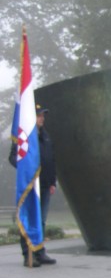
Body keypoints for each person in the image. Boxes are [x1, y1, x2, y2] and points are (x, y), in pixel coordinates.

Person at [8, 104, 57, 267]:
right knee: (29, 219)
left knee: (41, 221)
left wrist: (52, 181)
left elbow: (51, 159)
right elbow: (13, 157)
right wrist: (26, 169)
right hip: (31, 186)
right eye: (39, 115)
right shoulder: (25, 137)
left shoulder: (45, 136)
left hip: (45, 185)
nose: (42, 118)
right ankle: (27, 254)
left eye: (43, 115)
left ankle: (39, 251)